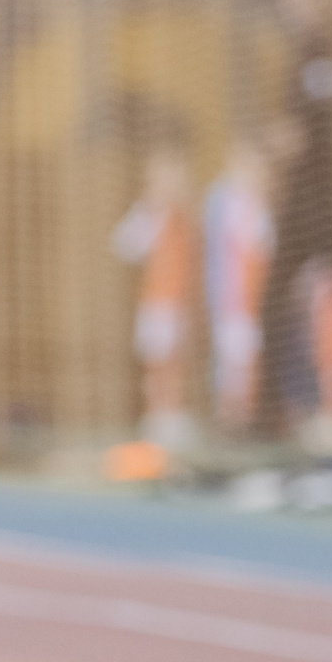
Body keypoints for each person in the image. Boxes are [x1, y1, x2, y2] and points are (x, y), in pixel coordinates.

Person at [262, 0, 332, 453]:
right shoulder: (298, 54)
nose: (300, 4)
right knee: (275, 299)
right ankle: (269, 415)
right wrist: (282, 143)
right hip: (303, 199)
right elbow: (289, 122)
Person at [109, 141, 199, 449]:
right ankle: (157, 417)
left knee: (174, 363)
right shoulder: (147, 213)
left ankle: (172, 416)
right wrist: (148, 215)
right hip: (156, 303)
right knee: (157, 362)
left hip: (180, 304)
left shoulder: (185, 215)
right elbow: (123, 245)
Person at [204, 136, 276, 435]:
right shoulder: (222, 203)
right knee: (229, 359)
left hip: (257, 300)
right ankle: (228, 418)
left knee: (251, 361)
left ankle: (250, 417)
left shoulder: (263, 209)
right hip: (230, 299)